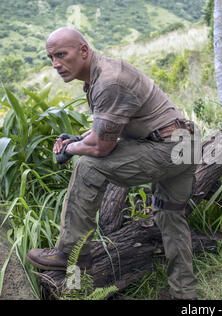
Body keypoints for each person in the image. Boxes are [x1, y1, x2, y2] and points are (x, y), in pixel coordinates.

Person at [26, 27, 198, 300]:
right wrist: (78, 138)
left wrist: (70, 149)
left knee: (89, 165)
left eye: (61, 54)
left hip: (167, 149)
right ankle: (184, 293)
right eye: (50, 58)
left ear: (83, 50)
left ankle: (70, 253)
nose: (55, 64)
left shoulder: (108, 81)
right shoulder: (101, 73)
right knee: (169, 215)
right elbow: (109, 126)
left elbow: (100, 146)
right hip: (183, 145)